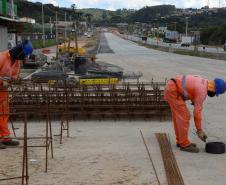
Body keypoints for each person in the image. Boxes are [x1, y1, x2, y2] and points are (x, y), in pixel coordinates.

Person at [164, 75, 226, 153]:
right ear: (214, 90)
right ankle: (184, 144)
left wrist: (194, 99)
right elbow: (197, 113)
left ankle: (181, 141)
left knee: (179, 116)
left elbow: (191, 87)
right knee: (184, 116)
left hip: (172, 87)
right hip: (173, 90)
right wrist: (199, 130)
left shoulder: (204, 81)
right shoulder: (202, 91)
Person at [0, 40, 33, 149]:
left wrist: (15, 81)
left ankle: (4, 137)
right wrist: (1, 81)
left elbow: (14, 76)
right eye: (24, 56)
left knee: (4, 113)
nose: (24, 58)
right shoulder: (2, 57)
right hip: (1, 87)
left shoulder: (17, 61)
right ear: (19, 51)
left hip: (3, 91)